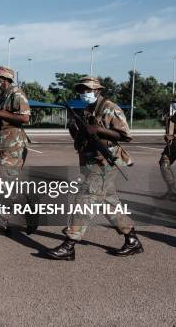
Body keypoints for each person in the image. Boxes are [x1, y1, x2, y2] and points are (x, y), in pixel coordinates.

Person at [46, 76, 143, 260]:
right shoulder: (86, 110)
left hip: (105, 163)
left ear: (97, 90)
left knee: (84, 199)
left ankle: (69, 245)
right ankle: (132, 240)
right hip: (91, 162)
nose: (84, 94)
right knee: (108, 203)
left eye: (87, 90)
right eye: (81, 91)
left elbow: (125, 135)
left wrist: (98, 130)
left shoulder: (110, 108)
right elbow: (82, 137)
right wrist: (75, 128)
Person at [0, 66, 31, 236]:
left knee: (6, 184)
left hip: (13, 145)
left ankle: (29, 210)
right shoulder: (0, 97)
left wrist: (0, 113)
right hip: (0, 144)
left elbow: (25, 117)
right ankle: (1, 222)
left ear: (8, 79)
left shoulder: (17, 94)